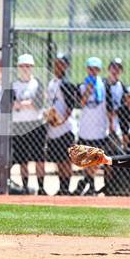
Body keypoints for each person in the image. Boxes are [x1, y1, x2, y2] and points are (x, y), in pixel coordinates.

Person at [74, 57, 112, 196]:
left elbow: (109, 107)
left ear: (99, 70)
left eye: (96, 69)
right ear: (87, 69)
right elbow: (80, 104)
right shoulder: (82, 86)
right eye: (90, 68)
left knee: (96, 160)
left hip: (99, 129)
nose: (93, 71)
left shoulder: (104, 85)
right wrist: (87, 91)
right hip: (85, 129)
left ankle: (88, 183)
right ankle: (89, 183)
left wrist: (111, 125)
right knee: (87, 159)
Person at [12, 54, 46, 195]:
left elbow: (38, 104)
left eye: (28, 66)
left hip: (36, 124)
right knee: (23, 159)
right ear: (19, 68)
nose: (25, 68)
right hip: (19, 124)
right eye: (23, 66)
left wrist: (20, 105)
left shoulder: (37, 83)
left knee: (38, 158)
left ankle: (41, 187)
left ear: (32, 67)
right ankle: (26, 187)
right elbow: (9, 104)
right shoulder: (13, 85)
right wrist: (27, 104)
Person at [45, 54, 77, 195]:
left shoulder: (67, 84)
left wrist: (60, 121)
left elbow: (70, 108)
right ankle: (60, 188)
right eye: (56, 63)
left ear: (66, 66)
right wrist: (50, 118)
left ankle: (66, 189)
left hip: (65, 129)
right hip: (53, 129)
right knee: (58, 160)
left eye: (61, 63)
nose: (58, 66)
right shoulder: (51, 83)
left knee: (66, 161)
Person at [102, 58, 128, 190]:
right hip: (102, 126)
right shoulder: (103, 84)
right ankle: (106, 183)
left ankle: (112, 184)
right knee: (104, 156)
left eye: (118, 67)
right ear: (109, 68)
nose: (116, 70)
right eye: (113, 67)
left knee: (114, 156)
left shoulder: (121, 86)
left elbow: (123, 109)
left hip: (116, 127)